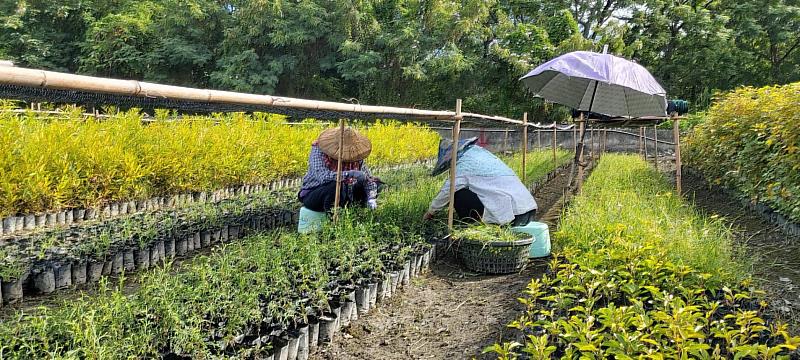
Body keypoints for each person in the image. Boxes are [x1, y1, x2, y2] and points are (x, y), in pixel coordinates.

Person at [423, 137, 536, 226]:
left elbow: (448, 190)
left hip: (513, 217)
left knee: (459, 194)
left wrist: (431, 212)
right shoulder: (481, 154)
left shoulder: (465, 165)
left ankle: (471, 225)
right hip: (528, 211)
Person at [298, 126, 379, 212]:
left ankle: (359, 213)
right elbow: (323, 176)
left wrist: (371, 197)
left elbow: (368, 178)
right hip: (316, 193)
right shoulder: (319, 149)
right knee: (335, 185)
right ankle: (332, 219)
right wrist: (349, 174)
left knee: (376, 184)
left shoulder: (356, 153)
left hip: (345, 193)